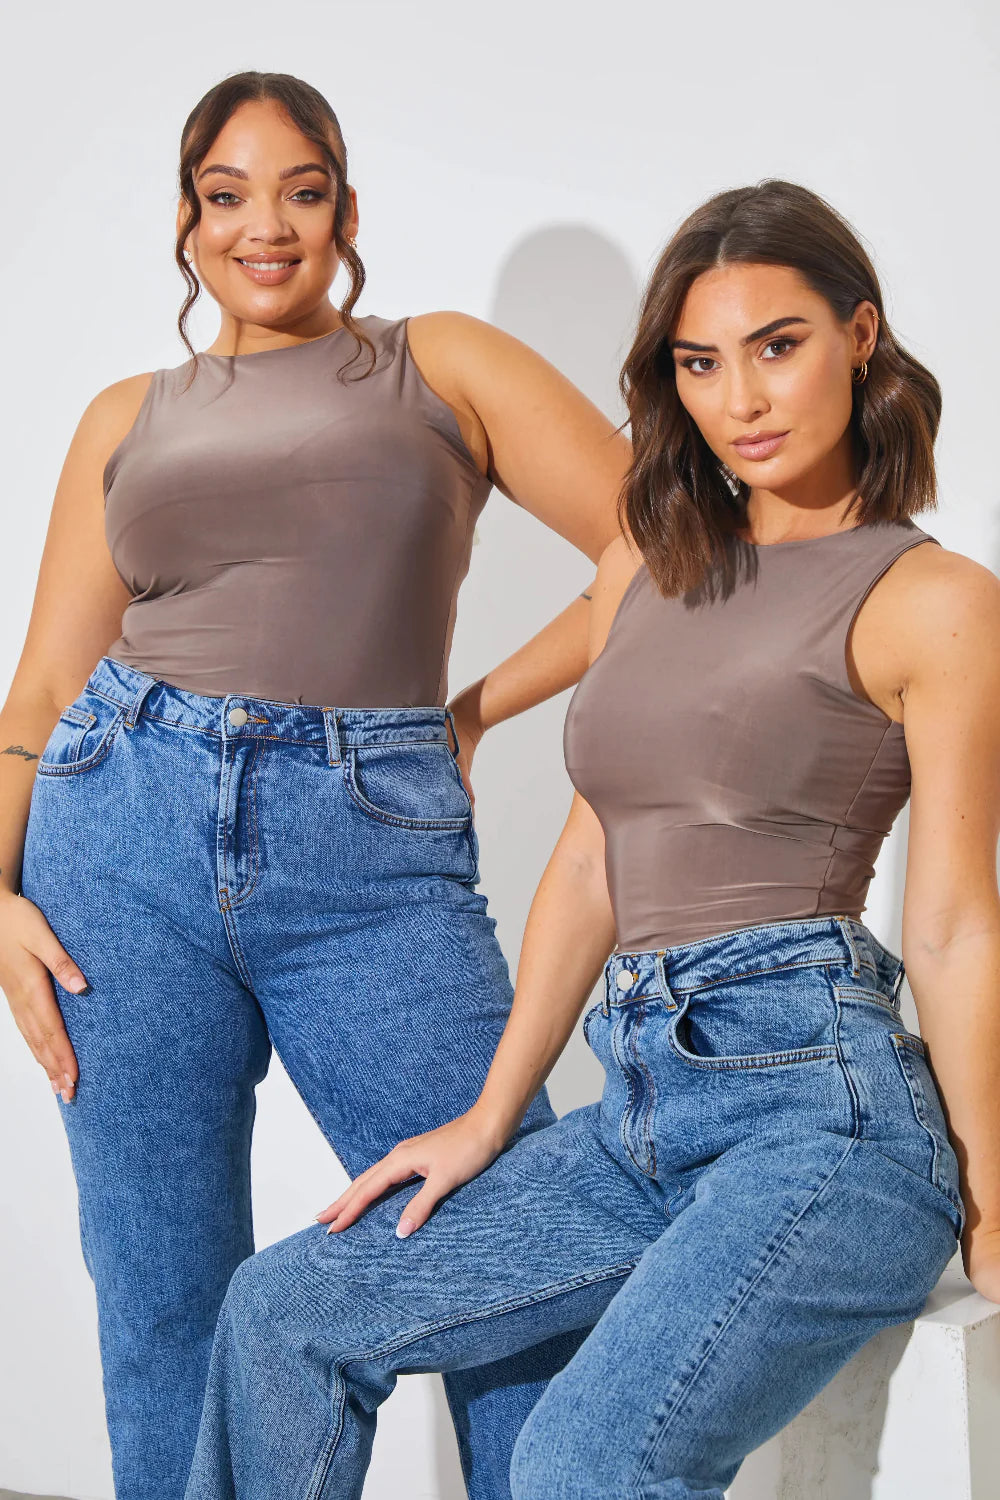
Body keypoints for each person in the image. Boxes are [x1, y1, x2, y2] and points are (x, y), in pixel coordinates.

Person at [183, 179, 1000, 1500]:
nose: (742, 398)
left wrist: (992, 1201)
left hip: (827, 1123)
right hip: (635, 1112)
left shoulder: (935, 600)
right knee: (284, 1314)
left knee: (581, 1458)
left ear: (860, 337)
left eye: (778, 346)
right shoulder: (649, 567)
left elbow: (955, 923)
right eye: (700, 363)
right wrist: (487, 1117)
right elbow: (586, 862)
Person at [0, 71, 630, 1500]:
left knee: (506, 1257)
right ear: (187, 220)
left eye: (301, 191)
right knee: (160, 1295)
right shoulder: (126, 416)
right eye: (226, 195)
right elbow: (38, 696)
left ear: (347, 209)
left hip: (368, 843)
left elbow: (665, 544)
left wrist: (473, 709)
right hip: (117, 832)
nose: (264, 226)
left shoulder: (437, 363)